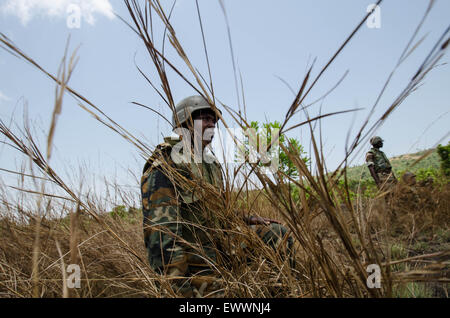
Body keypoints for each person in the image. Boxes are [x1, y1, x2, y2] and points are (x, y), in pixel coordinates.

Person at [141, 95, 293, 297]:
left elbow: (219, 211)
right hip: (194, 259)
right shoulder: (167, 165)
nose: (212, 124)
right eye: (205, 118)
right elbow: (161, 238)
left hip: (220, 246)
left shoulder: (211, 165)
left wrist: (248, 219)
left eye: (214, 120)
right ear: (184, 122)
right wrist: (180, 289)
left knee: (278, 234)